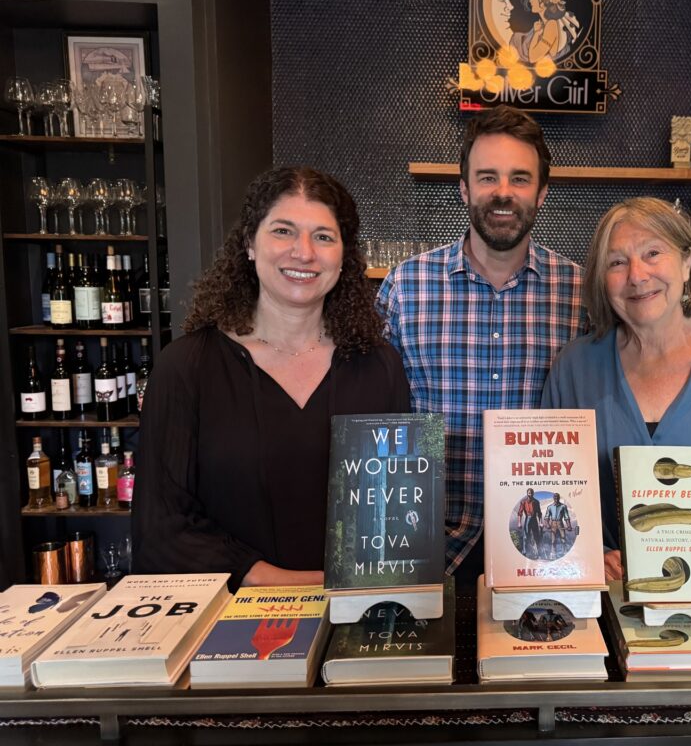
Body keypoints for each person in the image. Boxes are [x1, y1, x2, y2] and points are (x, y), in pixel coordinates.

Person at [133, 167, 410, 591]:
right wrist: (285, 582)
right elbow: (161, 530)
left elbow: (396, 507)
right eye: (283, 231)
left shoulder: (379, 367)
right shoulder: (186, 368)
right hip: (230, 627)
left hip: (356, 616)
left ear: (344, 256)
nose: (303, 252)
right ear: (249, 243)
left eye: (323, 236)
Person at [377, 105, 588, 581]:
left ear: (542, 193)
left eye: (519, 178)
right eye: (488, 177)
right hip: (429, 542)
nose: (503, 193)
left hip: (545, 547)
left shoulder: (580, 292)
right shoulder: (405, 287)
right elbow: (374, 414)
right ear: (465, 188)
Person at [541, 197, 691, 595]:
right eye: (617, 263)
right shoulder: (574, 366)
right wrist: (586, 550)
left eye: (653, 253)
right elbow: (553, 480)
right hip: (603, 594)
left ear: (687, 262)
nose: (637, 275)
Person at [516, 487, 543, 557]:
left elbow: (539, 513)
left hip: (534, 520)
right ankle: (524, 551)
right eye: (529, 493)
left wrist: (540, 522)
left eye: (531, 493)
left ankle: (539, 553)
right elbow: (520, 513)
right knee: (525, 537)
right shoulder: (523, 502)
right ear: (527, 493)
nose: (530, 494)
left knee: (536, 536)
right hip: (527, 519)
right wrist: (519, 522)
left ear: (533, 494)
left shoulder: (536, 502)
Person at [543, 492, 571, 557]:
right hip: (553, 524)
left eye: (557, 497)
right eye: (555, 497)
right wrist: (547, 524)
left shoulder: (563, 506)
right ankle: (553, 553)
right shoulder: (549, 507)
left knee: (563, 538)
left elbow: (566, 517)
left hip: (560, 523)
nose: (556, 498)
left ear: (559, 498)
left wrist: (569, 525)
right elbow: (547, 517)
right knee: (553, 540)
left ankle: (564, 552)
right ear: (553, 498)